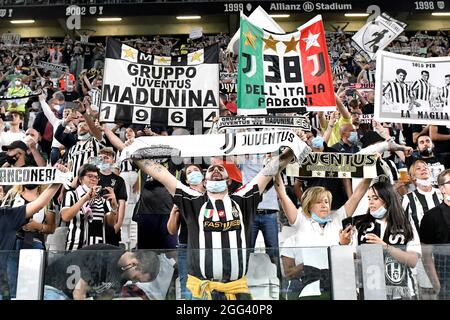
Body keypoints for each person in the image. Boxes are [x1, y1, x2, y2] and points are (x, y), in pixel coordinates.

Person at [131, 138, 305, 300]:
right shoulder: (192, 200)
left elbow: (270, 170)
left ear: (228, 181)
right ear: (204, 182)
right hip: (202, 290)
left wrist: (293, 147)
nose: (215, 170)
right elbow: (161, 174)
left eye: (220, 169)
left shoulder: (243, 200)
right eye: (211, 169)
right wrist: (133, 152)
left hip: (236, 291)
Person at [275, 172, 372, 299]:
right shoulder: (301, 220)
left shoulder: (337, 218)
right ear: (309, 205)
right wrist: (276, 171)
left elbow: (357, 196)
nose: (324, 205)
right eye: (319, 202)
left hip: (337, 286)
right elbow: (283, 195)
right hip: (308, 290)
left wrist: (370, 172)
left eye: (326, 201)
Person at [349, 176, 421, 299]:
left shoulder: (406, 224)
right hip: (370, 292)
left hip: (401, 294)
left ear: (388, 199)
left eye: (375, 198)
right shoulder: (361, 225)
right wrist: (343, 243)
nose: (370, 202)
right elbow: (351, 258)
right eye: (369, 198)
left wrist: (386, 248)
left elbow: (413, 261)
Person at [43, 243, 160, 300]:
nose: (134, 281)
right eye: (136, 278)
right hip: (53, 289)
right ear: (133, 264)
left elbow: (107, 294)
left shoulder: (124, 273)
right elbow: (79, 292)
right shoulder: (105, 257)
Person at [402, 160, 443, 299]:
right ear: (413, 177)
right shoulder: (407, 199)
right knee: (428, 293)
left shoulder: (442, 193)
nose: (423, 169)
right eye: (418, 169)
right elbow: (402, 226)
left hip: (445, 252)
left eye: (425, 167)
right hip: (421, 253)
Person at [167, 164, 205, 300]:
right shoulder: (181, 198)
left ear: (203, 175)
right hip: (186, 248)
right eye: (189, 172)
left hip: (208, 248)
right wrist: (174, 211)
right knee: (187, 288)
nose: (193, 173)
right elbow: (171, 230)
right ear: (187, 180)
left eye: (196, 170)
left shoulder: (210, 196)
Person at [61, 164, 118, 250]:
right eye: (90, 176)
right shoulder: (71, 195)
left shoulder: (102, 199)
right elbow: (65, 217)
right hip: (76, 247)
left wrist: (114, 206)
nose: (93, 179)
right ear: (80, 179)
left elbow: (110, 223)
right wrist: (85, 199)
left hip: (97, 248)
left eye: (96, 177)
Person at [419, 169, 450, 300]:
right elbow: (426, 256)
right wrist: (437, 285)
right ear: (442, 189)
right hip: (447, 282)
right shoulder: (431, 217)